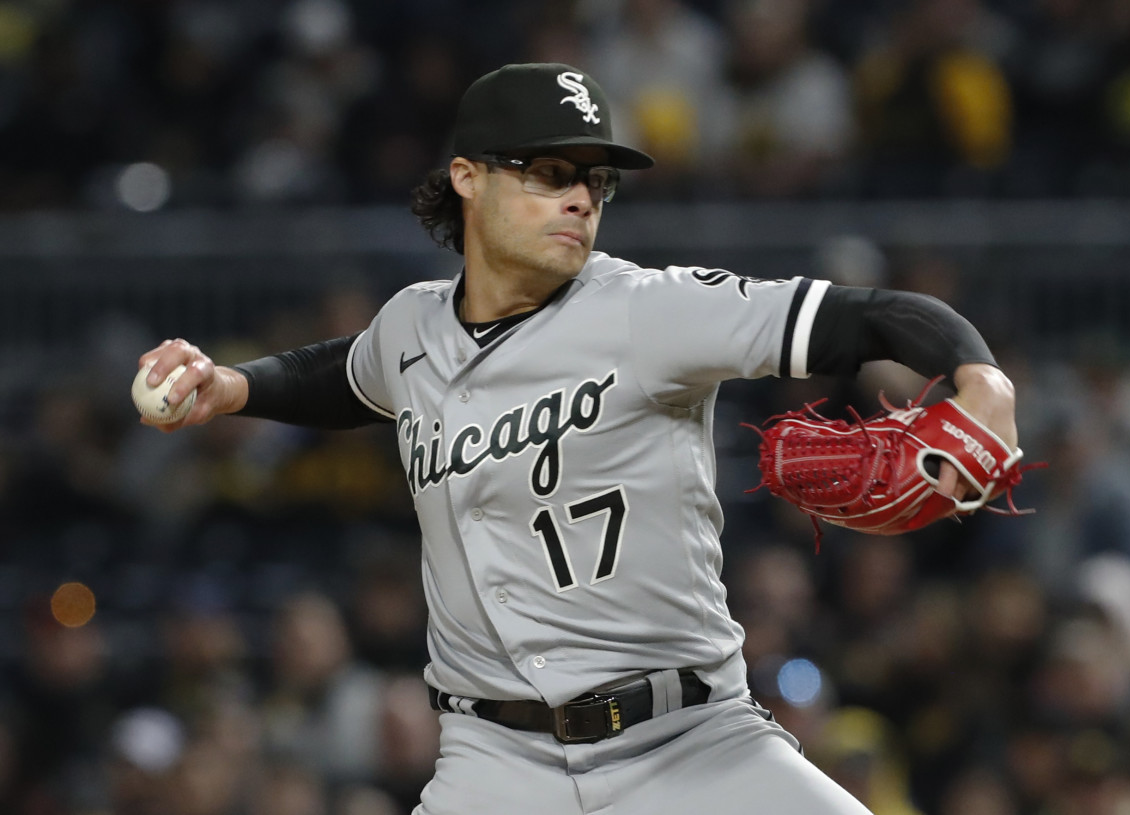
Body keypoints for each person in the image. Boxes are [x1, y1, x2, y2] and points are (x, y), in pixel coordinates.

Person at [136, 62, 1018, 815]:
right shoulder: (412, 327)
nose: (581, 199)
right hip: (492, 762)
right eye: (551, 171)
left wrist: (984, 381)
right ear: (468, 177)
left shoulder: (648, 309)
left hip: (694, 744)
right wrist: (234, 387)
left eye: (596, 180)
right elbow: (354, 374)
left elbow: (873, 316)